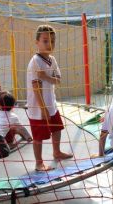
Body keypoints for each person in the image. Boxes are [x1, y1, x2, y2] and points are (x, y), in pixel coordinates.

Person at [27, 24, 73, 171]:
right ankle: (39, 163)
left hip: (51, 103)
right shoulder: (35, 61)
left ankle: (56, 152)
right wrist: (43, 108)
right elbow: (36, 87)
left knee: (57, 128)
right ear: (37, 42)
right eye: (45, 41)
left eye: (52, 41)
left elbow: (58, 80)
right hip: (38, 107)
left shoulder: (52, 59)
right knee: (38, 136)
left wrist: (46, 77)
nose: (49, 44)